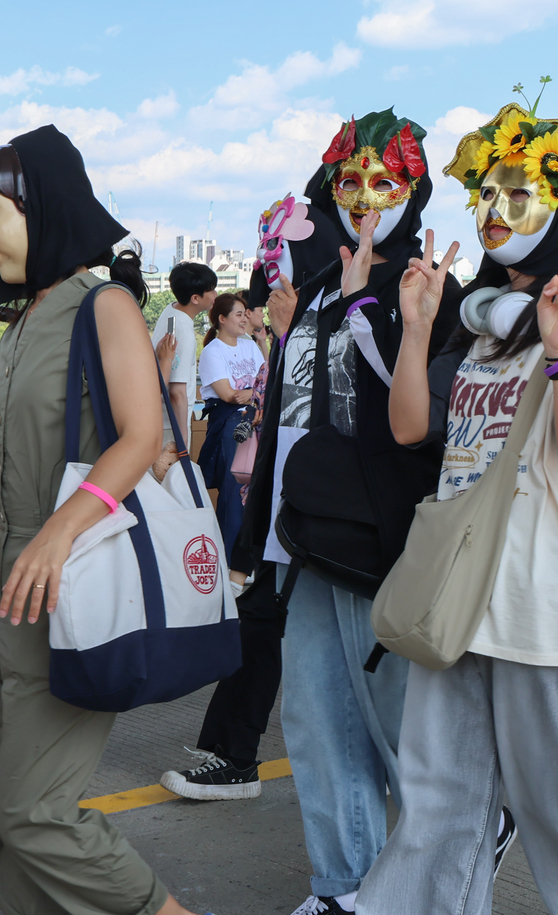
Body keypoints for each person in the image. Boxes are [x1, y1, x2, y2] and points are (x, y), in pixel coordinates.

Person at [355, 102, 558, 915]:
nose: (494, 212)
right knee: (439, 803)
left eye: (515, 195)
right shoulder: (482, 327)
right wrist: (418, 327)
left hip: (539, 603)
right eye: (486, 196)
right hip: (457, 604)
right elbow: (411, 428)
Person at [0, 126, 203, 915]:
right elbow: (0, 473)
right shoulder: (20, 321)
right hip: (10, 603)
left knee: (38, 815)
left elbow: (141, 436)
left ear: (43, 210)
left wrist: (60, 533)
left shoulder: (104, 305)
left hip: (71, 592)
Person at [234, 109, 464, 915]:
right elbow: (287, 420)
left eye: (385, 181)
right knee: (317, 721)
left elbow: (415, 419)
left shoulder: (430, 279)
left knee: (406, 730)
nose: (365, 196)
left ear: (415, 190)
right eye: (350, 180)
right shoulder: (320, 281)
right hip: (303, 535)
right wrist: (253, 530)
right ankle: (345, 886)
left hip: (384, 539)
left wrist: (381, 306)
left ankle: (442, 875)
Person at [160, 196, 341, 805]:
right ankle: (234, 755)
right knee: (261, 622)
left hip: (340, 514)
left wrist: (291, 337)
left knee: (364, 653)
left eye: (284, 256)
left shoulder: (357, 310)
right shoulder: (291, 322)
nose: (274, 278)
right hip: (285, 508)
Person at [195, 294, 264, 571]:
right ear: (222, 319)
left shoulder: (250, 346)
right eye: (238, 314)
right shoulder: (213, 351)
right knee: (234, 495)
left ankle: (248, 563)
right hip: (232, 427)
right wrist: (254, 394)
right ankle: (226, 565)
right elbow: (227, 395)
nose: (244, 318)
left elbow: (265, 382)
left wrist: (250, 394)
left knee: (255, 493)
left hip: (255, 422)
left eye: (245, 313)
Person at [154, 262, 218, 445]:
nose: (215, 295)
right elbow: (177, 391)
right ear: (195, 298)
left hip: (161, 420)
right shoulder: (184, 333)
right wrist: (182, 437)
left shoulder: (171, 310)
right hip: (169, 425)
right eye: (211, 290)